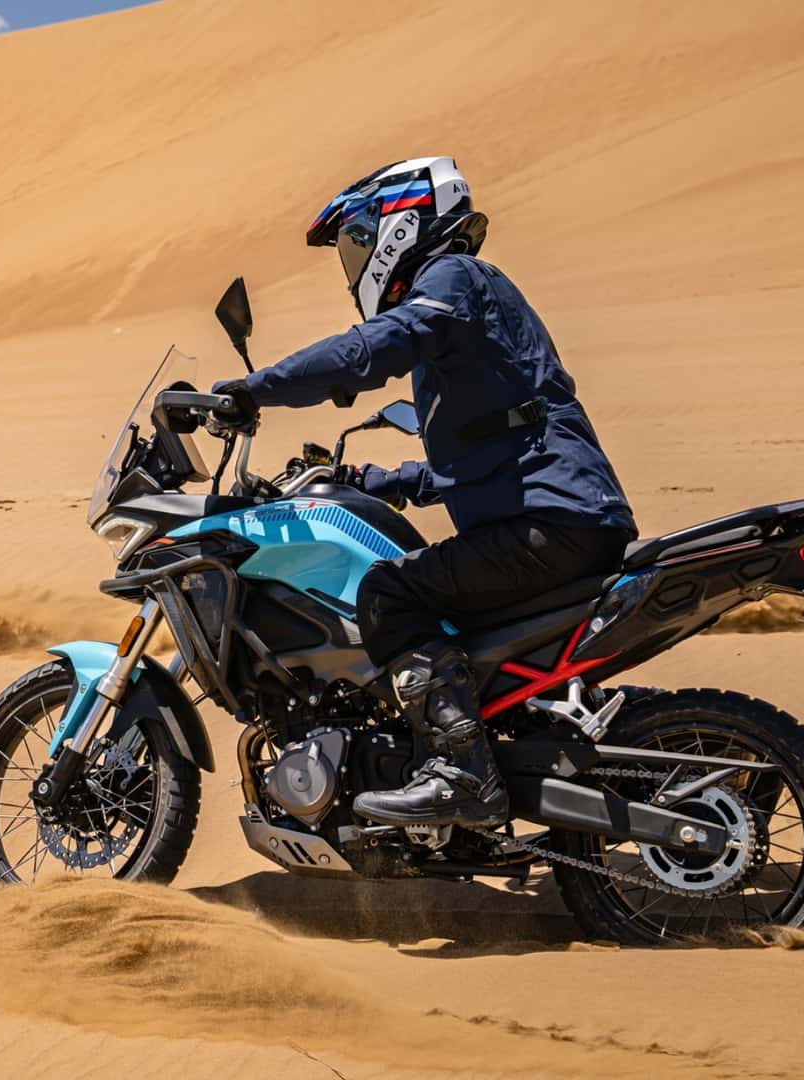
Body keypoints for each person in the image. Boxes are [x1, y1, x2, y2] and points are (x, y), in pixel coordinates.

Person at [214, 156, 636, 828]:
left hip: (551, 523)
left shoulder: (451, 277)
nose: (354, 264)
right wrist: (377, 482)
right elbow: (488, 452)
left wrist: (253, 389)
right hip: (556, 513)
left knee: (389, 592)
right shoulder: (468, 300)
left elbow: (370, 350)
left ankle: (462, 774)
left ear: (404, 223)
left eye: (358, 240)